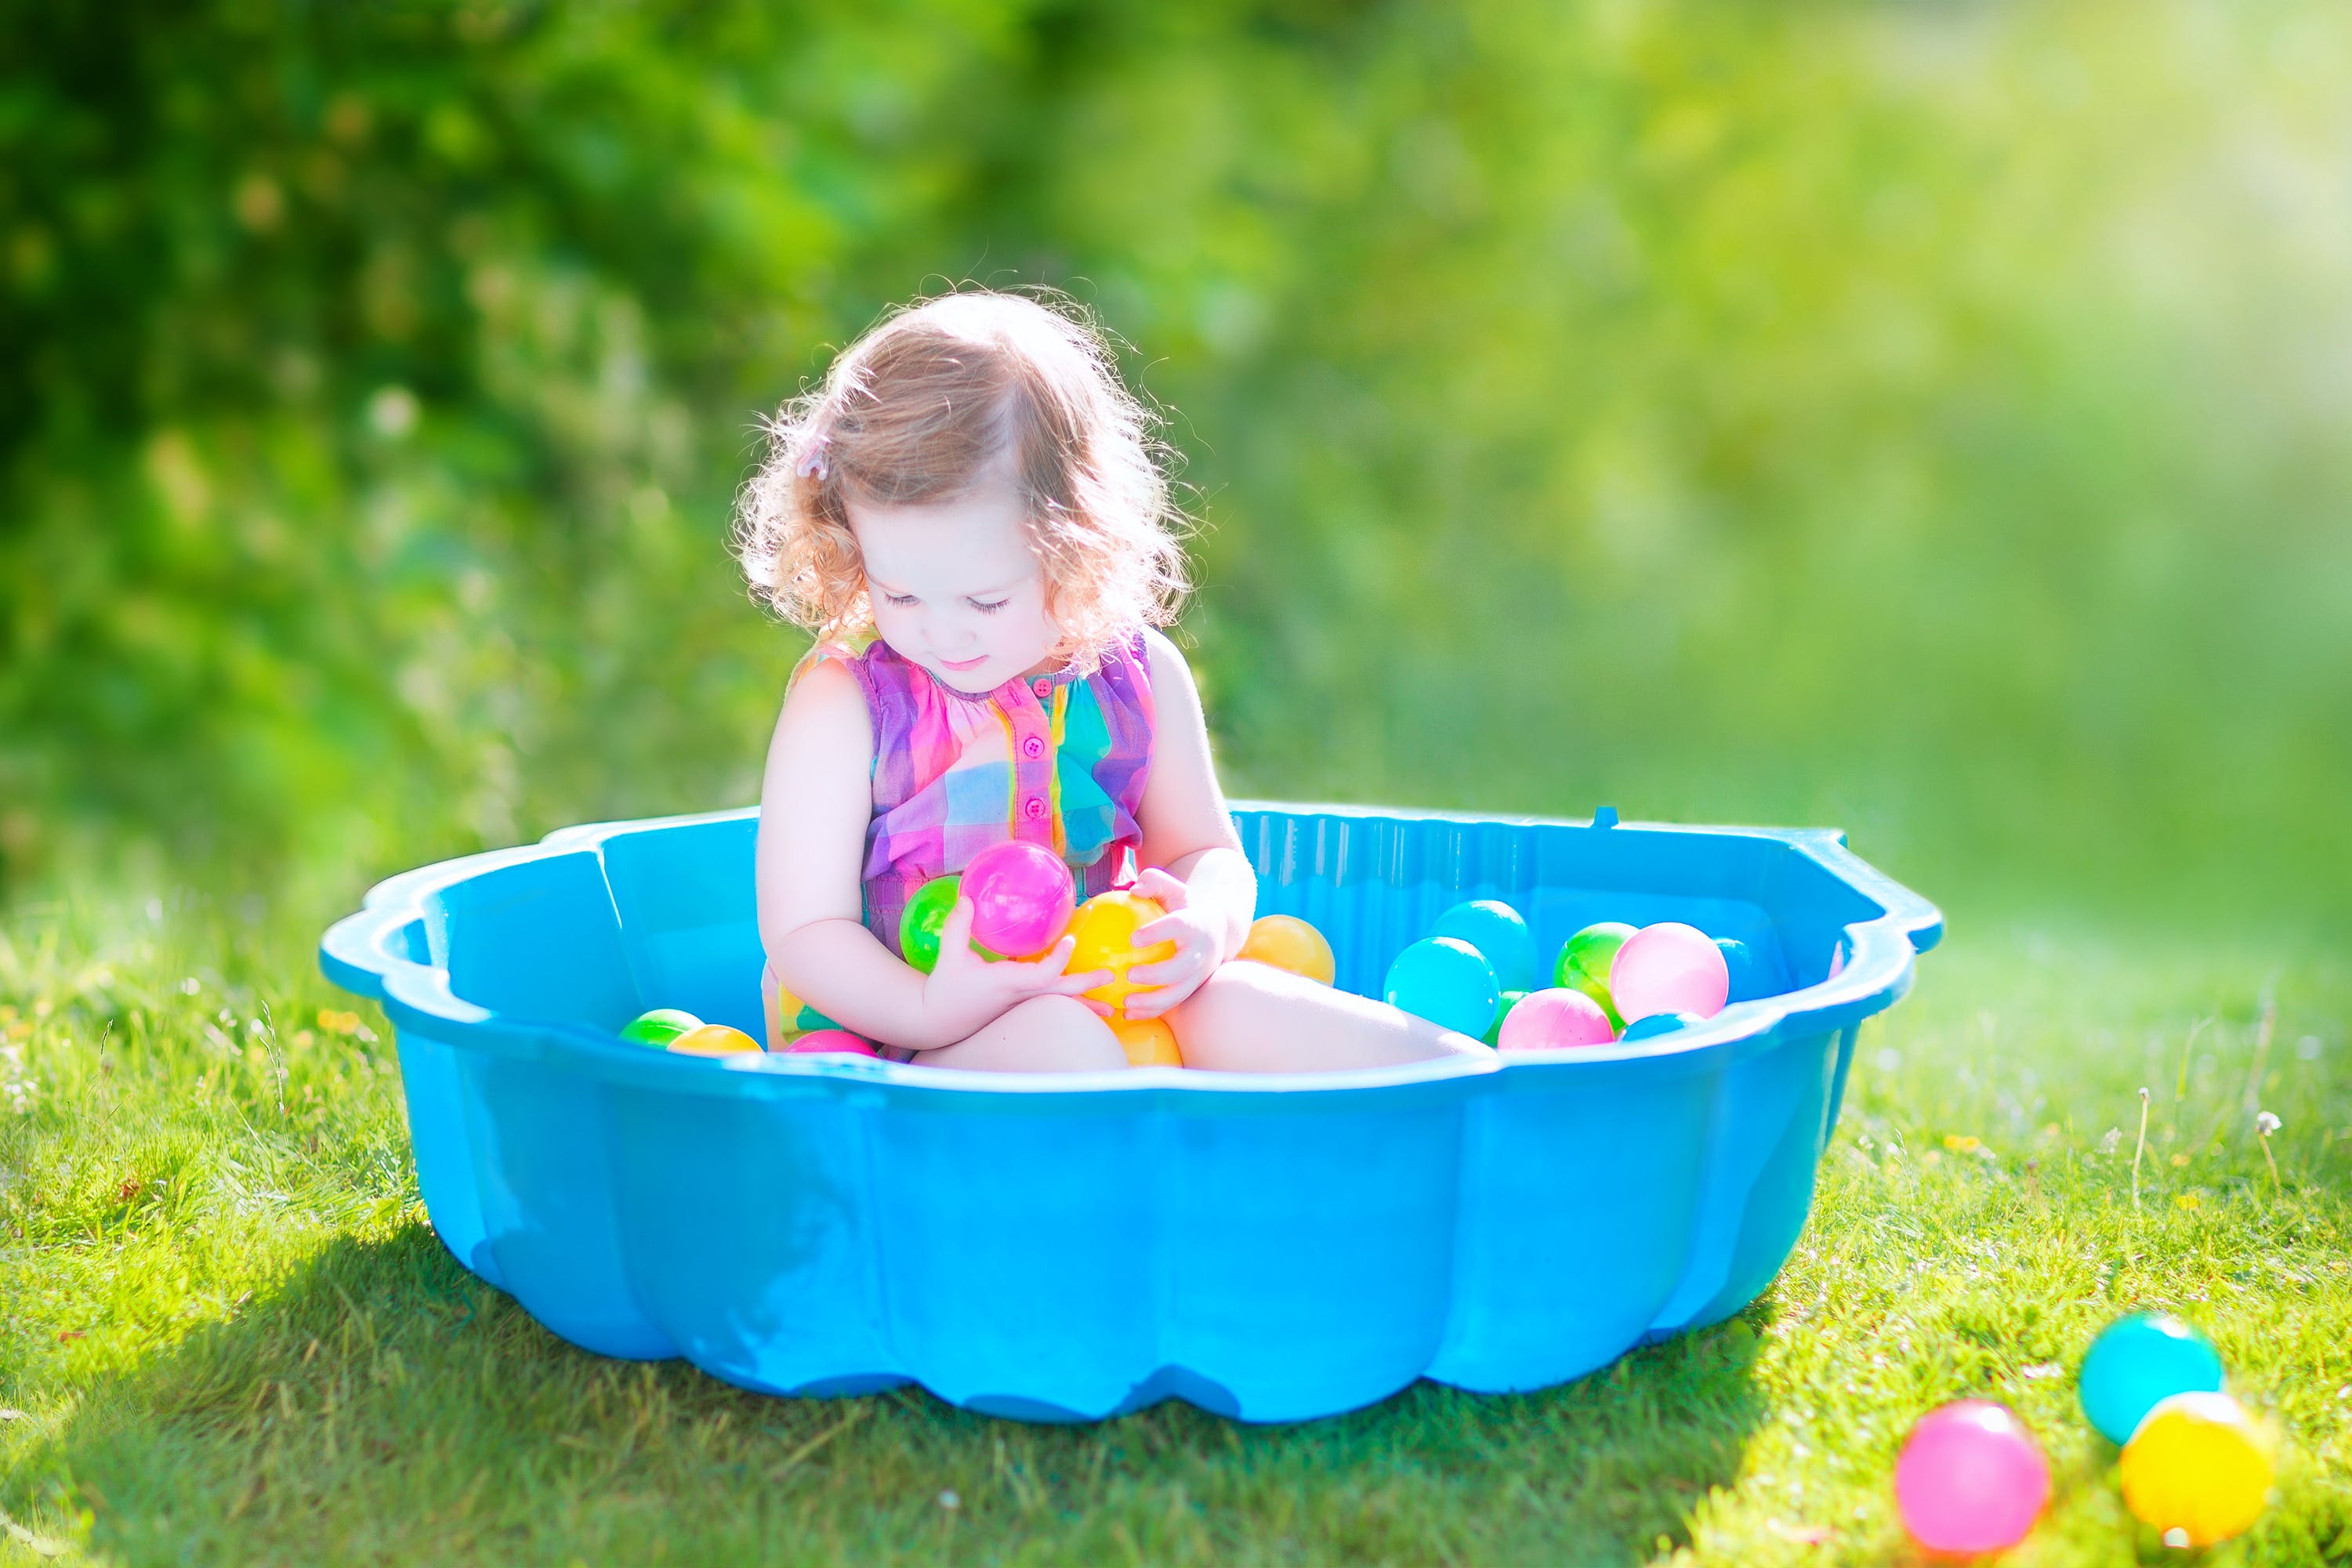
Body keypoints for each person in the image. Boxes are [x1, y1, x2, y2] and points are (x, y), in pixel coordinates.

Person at [735, 289, 1491, 1071]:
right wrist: (929, 1008)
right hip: (897, 1055)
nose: (942, 631)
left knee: (1244, 1006)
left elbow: (1202, 848)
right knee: (1068, 1047)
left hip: (1106, 999)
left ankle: (1471, 1090)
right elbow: (803, 932)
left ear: (1076, 543)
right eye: (898, 594)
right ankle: (1174, 1174)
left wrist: (1207, 924)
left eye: (986, 599)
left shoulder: (1135, 678)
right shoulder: (847, 705)